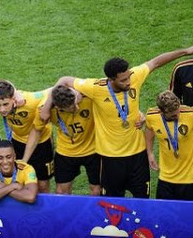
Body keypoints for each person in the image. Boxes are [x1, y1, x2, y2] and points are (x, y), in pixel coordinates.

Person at [48, 45, 193, 198]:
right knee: (111, 203)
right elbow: (64, 80)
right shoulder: (95, 88)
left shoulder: (134, 76)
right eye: (123, 80)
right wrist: (46, 108)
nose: (129, 82)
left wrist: (185, 52)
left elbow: (155, 62)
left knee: (142, 199)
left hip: (137, 155)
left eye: (129, 76)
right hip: (110, 158)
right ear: (111, 79)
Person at [0, 80, 53, 194]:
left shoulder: (31, 100)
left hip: (41, 142)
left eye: (5, 104)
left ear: (13, 99)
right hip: (17, 140)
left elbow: (52, 90)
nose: (2, 109)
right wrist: (15, 90)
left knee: (43, 185)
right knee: (18, 180)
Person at [27, 85, 99, 195]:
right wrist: (24, 160)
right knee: (61, 191)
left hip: (93, 151)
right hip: (66, 152)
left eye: (75, 103)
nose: (76, 108)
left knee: (97, 189)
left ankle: (94, 212)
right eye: (71, 109)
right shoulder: (45, 110)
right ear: (57, 108)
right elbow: (36, 131)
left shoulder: (87, 98)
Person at [145, 91, 193, 200]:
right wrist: (150, 153)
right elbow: (149, 129)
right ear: (162, 112)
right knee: (163, 214)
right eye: (173, 115)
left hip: (189, 179)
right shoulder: (152, 116)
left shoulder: (190, 114)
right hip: (165, 178)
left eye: (178, 111)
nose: (178, 115)